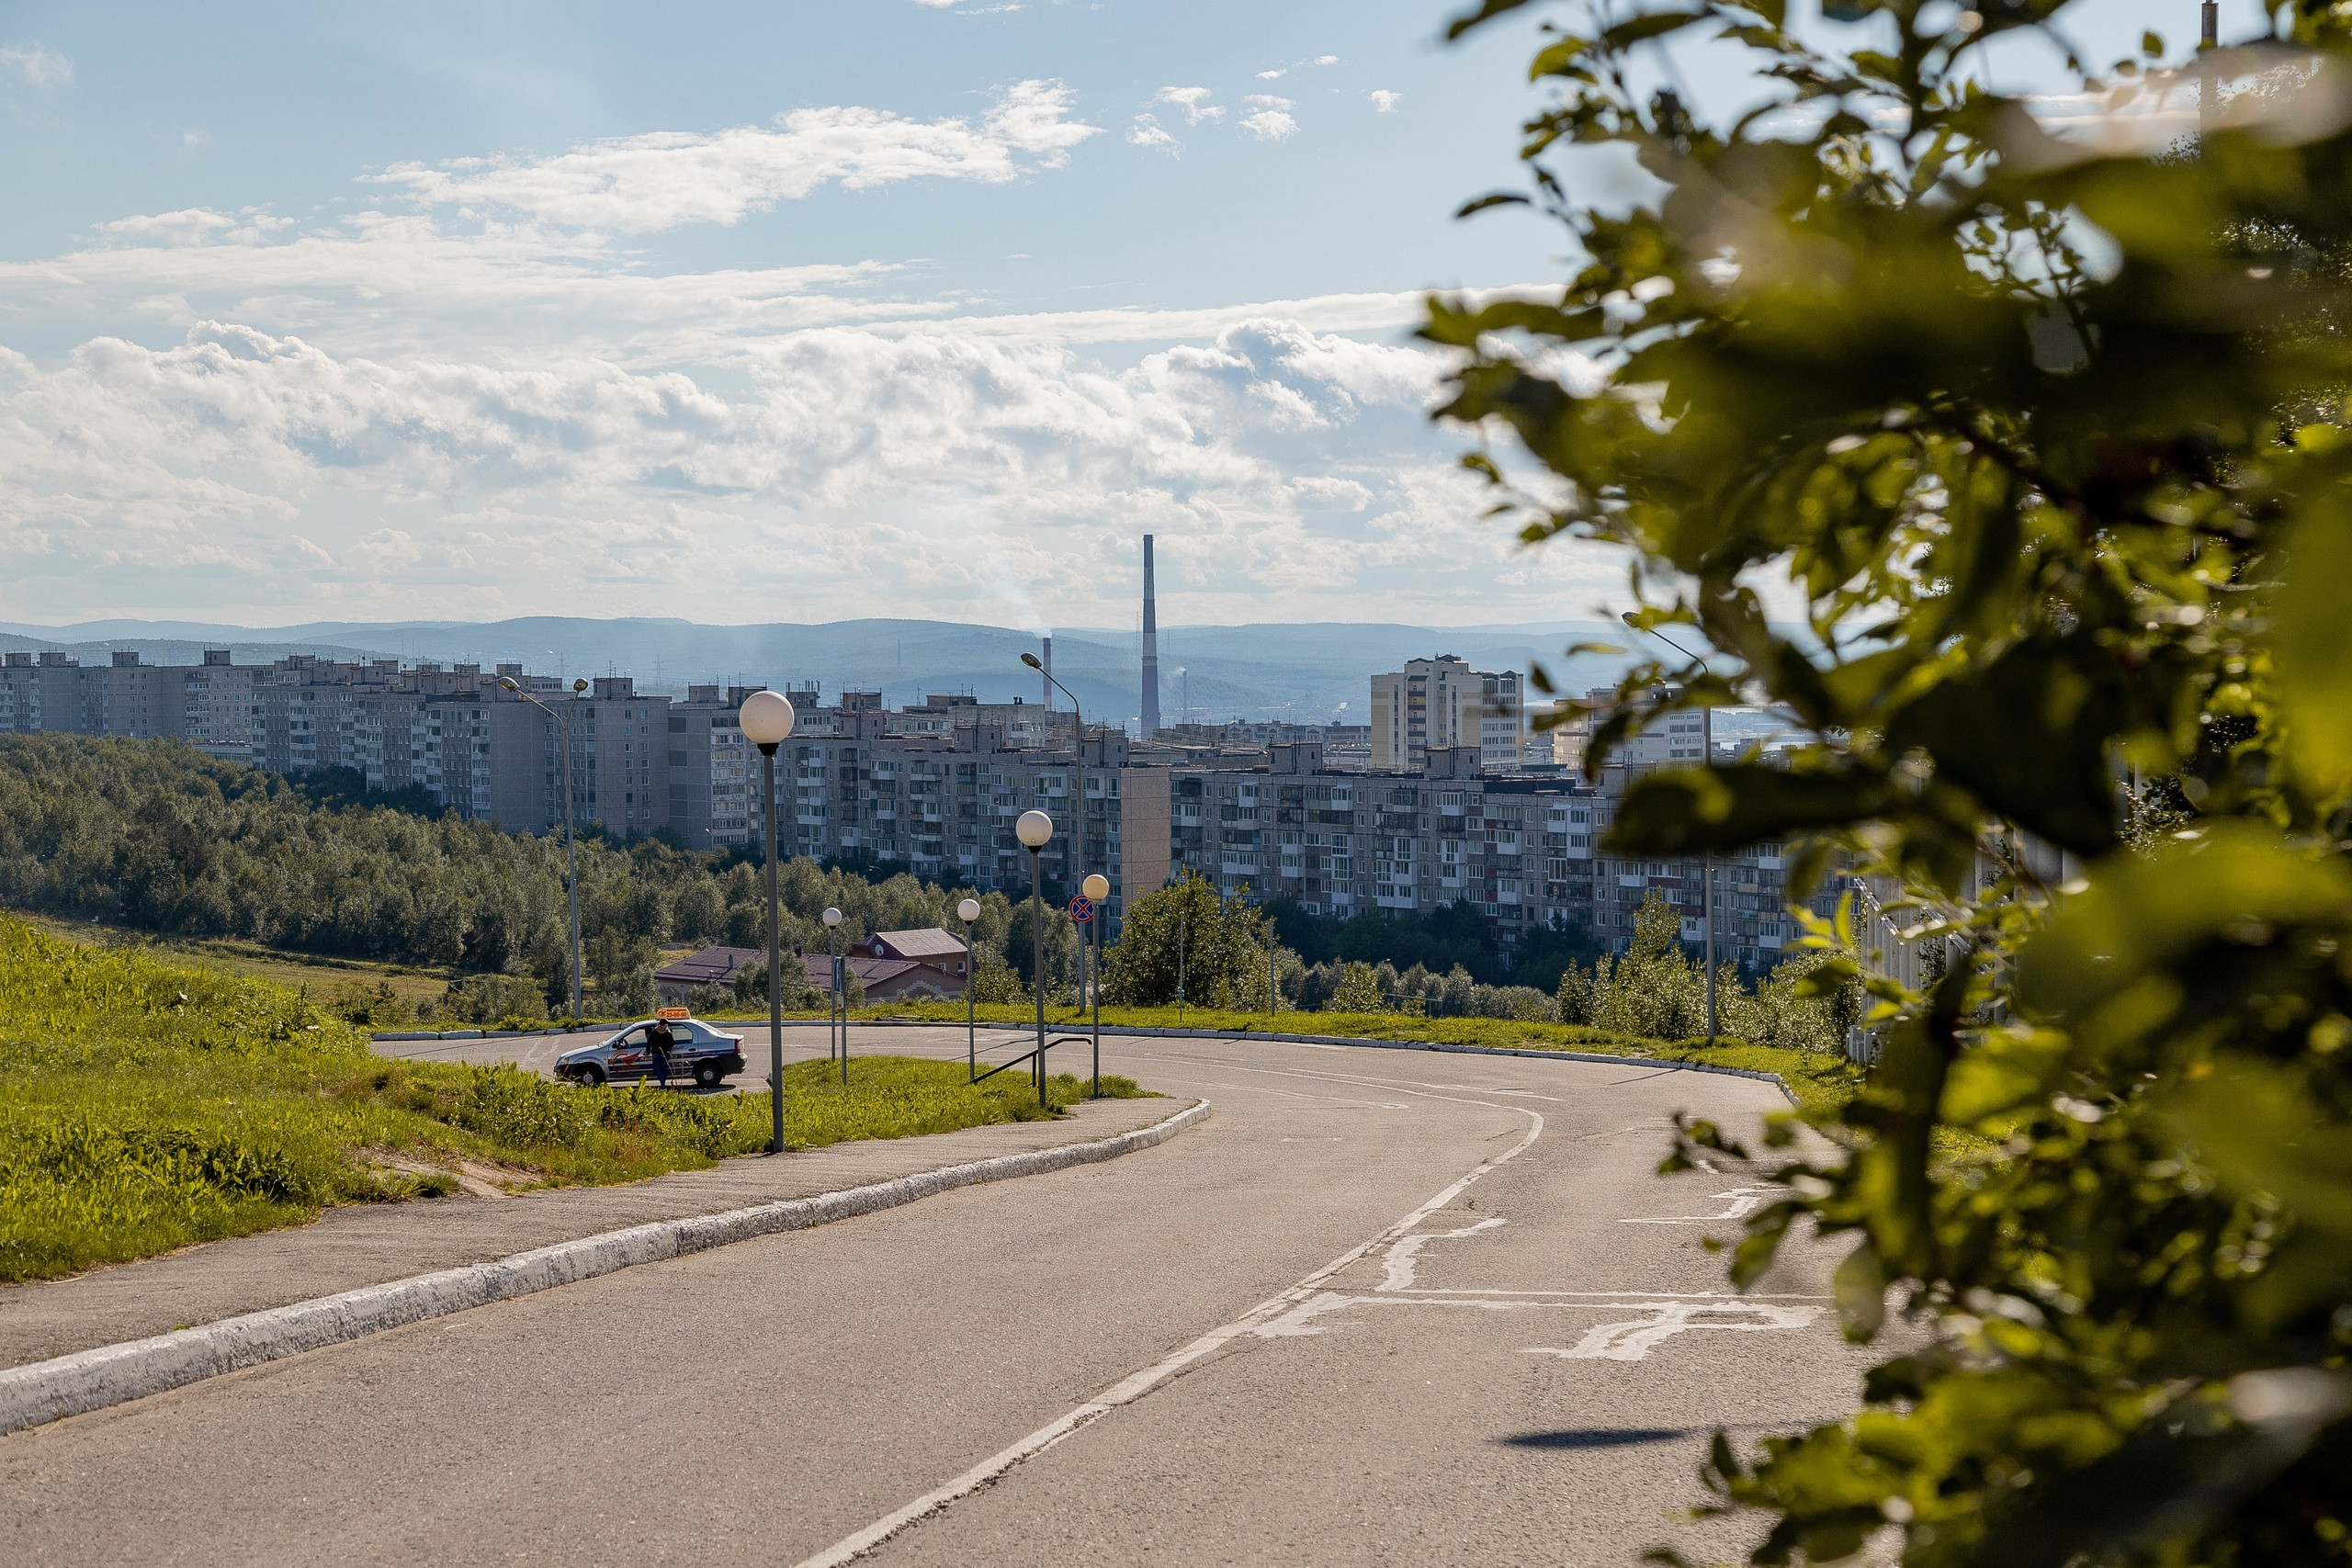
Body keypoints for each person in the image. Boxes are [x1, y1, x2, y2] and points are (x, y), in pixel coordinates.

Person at [647, 1017, 675, 1089]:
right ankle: (663, 1083)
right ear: (661, 1025)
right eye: (666, 1025)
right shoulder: (668, 1033)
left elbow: (649, 1042)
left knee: (659, 1069)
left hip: (657, 1053)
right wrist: (668, 1049)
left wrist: (647, 1051)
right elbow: (672, 1043)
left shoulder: (654, 1032)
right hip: (664, 1054)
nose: (667, 1026)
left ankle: (663, 1084)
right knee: (662, 1069)